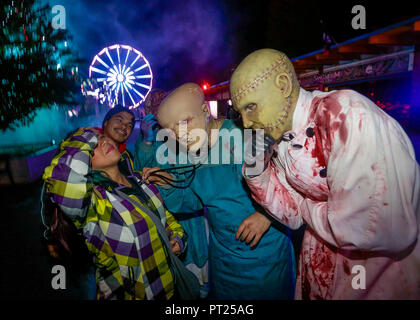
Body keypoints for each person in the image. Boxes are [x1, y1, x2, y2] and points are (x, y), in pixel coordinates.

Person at [229, 48, 420, 299]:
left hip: (374, 272)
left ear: (283, 85)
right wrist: (256, 171)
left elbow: (380, 226)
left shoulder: (345, 114)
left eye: (251, 106)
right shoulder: (278, 138)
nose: (245, 122)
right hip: (320, 264)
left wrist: (308, 207)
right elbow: (291, 215)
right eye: (239, 112)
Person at [142, 83, 296, 300]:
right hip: (223, 255)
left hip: (265, 250)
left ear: (205, 111)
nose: (180, 135)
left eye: (185, 122)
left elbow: (292, 183)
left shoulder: (245, 137)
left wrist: (266, 215)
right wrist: (167, 184)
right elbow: (191, 201)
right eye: (171, 129)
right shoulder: (187, 151)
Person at [42, 127, 186, 300]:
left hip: (170, 290)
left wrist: (178, 238)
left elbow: (168, 221)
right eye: (93, 144)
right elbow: (64, 178)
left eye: (102, 136)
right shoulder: (92, 203)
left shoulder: (140, 180)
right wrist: (85, 134)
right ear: (84, 159)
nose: (103, 141)